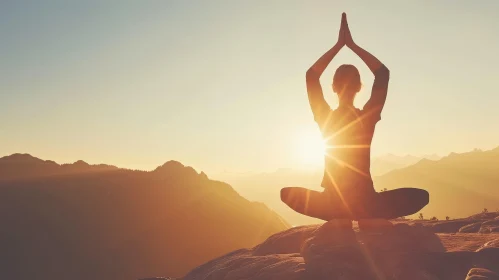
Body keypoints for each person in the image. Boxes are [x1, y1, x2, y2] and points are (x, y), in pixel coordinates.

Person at [280, 13, 428, 228]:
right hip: (367, 204)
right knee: (421, 196)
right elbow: (382, 74)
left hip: (332, 204)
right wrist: (352, 45)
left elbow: (311, 76)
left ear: (333, 87)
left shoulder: (325, 117)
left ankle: (341, 216)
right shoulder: (367, 117)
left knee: (287, 193)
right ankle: (361, 215)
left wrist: (338, 45)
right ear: (360, 87)